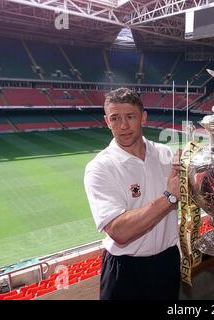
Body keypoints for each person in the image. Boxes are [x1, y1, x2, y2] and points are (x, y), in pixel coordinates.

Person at [84, 87, 181, 300]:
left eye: (130, 117)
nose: (123, 126)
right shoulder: (100, 167)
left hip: (167, 263)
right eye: (115, 118)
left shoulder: (164, 153)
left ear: (143, 117)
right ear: (106, 121)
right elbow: (119, 231)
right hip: (125, 270)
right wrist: (170, 197)